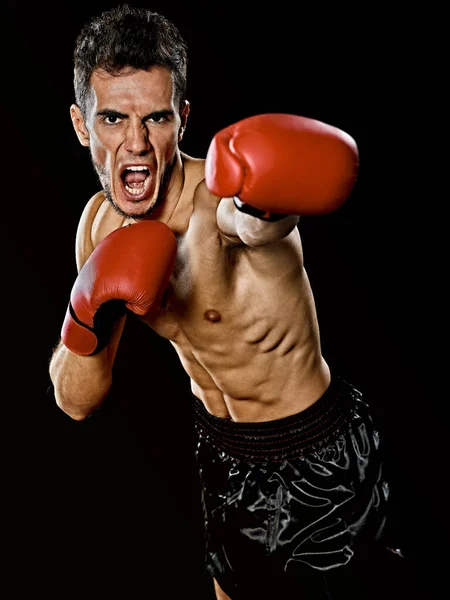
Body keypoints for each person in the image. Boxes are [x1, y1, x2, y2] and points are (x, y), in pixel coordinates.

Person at [49, 4, 403, 598]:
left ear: (182, 120)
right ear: (82, 126)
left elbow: (260, 225)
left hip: (319, 459)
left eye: (156, 119)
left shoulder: (225, 201)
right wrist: (86, 311)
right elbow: (76, 402)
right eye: (112, 119)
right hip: (223, 456)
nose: (135, 145)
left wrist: (267, 207)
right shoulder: (98, 229)